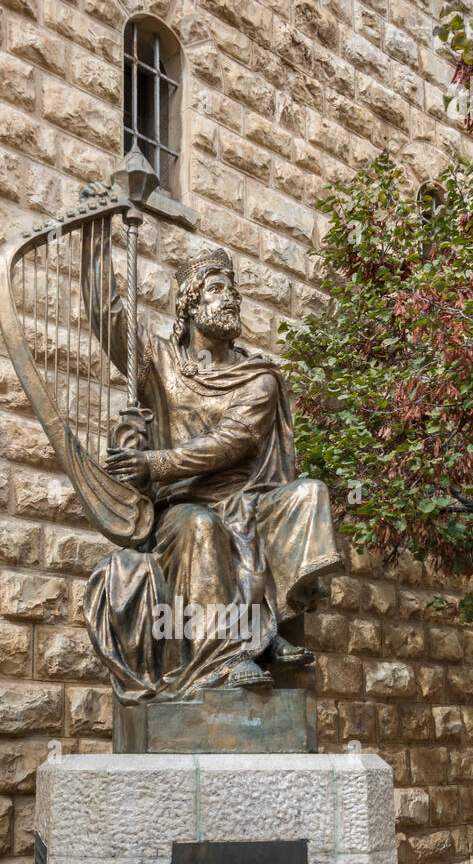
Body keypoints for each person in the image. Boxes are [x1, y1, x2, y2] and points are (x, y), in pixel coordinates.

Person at [81, 237, 342, 701]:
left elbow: (231, 442)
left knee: (310, 494)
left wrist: (152, 463)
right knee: (202, 525)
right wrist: (95, 244)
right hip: (181, 510)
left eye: (233, 290)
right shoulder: (159, 361)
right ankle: (225, 659)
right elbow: (110, 320)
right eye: (218, 288)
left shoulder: (257, 376)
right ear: (190, 301)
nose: (230, 297)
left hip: (250, 501)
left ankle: (267, 628)